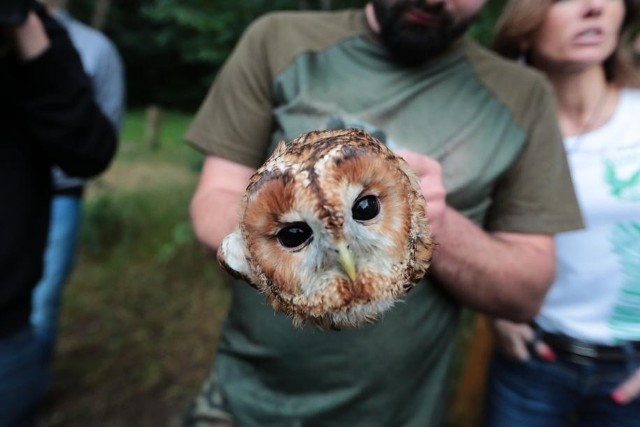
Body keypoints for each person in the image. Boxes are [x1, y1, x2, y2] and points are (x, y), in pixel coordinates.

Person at [184, 0, 585, 425]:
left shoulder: (521, 94)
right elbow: (213, 199)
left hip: (400, 412)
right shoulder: (279, 40)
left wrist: (432, 223)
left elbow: (527, 292)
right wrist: (278, 227)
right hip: (246, 402)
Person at [485, 0, 640, 426]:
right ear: (523, 29)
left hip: (632, 369)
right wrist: (495, 311)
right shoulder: (499, 133)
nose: (593, 7)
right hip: (534, 362)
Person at [0, 3, 117, 426]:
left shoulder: (50, 37)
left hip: (7, 324)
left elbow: (92, 147)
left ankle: (40, 375)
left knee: (44, 305)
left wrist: (25, 32)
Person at [30, 0, 125, 383]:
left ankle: (27, 389)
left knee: (41, 301)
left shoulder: (95, 48)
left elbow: (103, 135)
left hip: (59, 196)